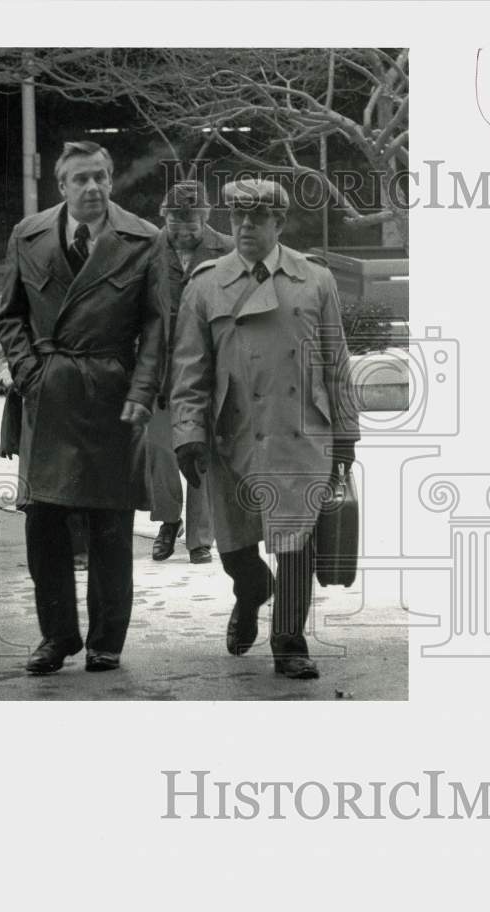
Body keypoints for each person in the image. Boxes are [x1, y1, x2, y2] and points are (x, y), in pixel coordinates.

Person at [170, 179, 360, 681]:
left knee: (296, 540)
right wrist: (188, 430)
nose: (246, 227)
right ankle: (251, 589)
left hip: (300, 430)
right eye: (237, 218)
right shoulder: (205, 284)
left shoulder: (315, 280)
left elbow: (335, 360)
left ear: (280, 223)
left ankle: (289, 640)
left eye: (257, 218)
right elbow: (190, 368)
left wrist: (346, 431)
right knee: (235, 546)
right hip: (232, 433)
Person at [0, 140, 163, 675]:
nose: (91, 187)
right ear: (61, 186)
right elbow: (10, 316)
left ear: (111, 181)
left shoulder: (144, 239)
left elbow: (159, 326)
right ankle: (56, 636)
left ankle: (106, 640)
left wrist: (140, 392)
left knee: (110, 522)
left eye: (99, 177)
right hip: (49, 393)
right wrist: (29, 374)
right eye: (79, 179)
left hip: (111, 395)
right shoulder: (29, 235)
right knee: (44, 521)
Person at [145, 181, 233, 564]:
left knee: (202, 449)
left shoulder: (228, 250)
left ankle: (200, 537)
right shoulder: (148, 251)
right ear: (163, 217)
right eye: (174, 219)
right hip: (158, 366)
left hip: (207, 366)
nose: (182, 229)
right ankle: (168, 520)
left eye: (191, 220)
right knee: (160, 449)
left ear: (206, 216)